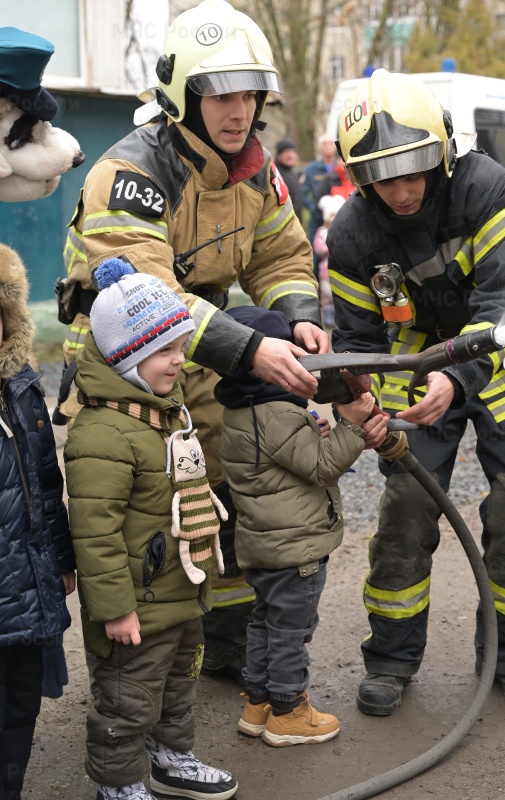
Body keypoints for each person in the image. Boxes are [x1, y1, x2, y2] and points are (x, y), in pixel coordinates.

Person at [59, 0, 329, 686]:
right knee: (144, 513)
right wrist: (253, 351)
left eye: (247, 93)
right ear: (183, 94)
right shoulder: (132, 174)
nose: (237, 111)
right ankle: (131, 682)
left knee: (218, 494)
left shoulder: (256, 173)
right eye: (218, 94)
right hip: (126, 362)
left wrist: (297, 314)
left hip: (198, 347)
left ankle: (222, 649)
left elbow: (281, 258)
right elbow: (147, 304)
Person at [327, 69, 505, 716]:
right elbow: (360, 339)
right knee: (404, 510)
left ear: (443, 154)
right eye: (381, 176)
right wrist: (360, 403)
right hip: (416, 373)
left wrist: (455, 380)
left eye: (413, 172)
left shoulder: (485, 186)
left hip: (501, 366)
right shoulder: (352, 236)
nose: (399, 191)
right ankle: (393, 658)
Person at [64, 258, 238, 800]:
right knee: (126, 697)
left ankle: (172, 759)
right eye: (165, 351)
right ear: (127, 357)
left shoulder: (164, 412)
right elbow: (94, 536)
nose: (179, 363)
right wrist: (114, 607)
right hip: (135, 603)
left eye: (182, 348)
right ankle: (116, 785)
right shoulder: (103, 433)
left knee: (180, 682)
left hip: (179, 590)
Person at [214, 305, 381, 746]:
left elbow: (283, 460)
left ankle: (259, 704)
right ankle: (289, 712)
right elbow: (323, 467)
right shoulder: (279, 414)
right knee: (291, 632)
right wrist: (353, 425)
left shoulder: (240, 411)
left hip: (264, 548)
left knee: (263, 624)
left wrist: (317, 431)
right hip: (296, 552)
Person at [0, 242, 76, 799]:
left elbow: (47, 485)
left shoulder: (22, 389)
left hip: (25, 589)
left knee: (19, 706)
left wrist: (62, 558)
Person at [313, 193, 346, 327]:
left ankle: (339, 315)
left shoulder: (344, 231)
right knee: (327, 294)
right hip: (325, 271)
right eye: (331, 215)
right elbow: (318, 248)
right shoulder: (322, 232)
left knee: (339, 294)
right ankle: (327, 314)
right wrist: (330, 246)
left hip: (341, 270)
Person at [303, 133, 339, 250]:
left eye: (331, 143)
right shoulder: (311, 169)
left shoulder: (342, 167)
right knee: (316, 254)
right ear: (319, 148)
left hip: (339, 219)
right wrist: (314, 208)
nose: (328, 146)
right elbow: (303, 193)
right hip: (317, 221)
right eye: (324, 144)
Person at [274, 136, 304, 220]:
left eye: (293, 152)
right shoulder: (274, 174)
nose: (290, 155)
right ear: (279, 154)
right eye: (287, 151)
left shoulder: (294, 173)